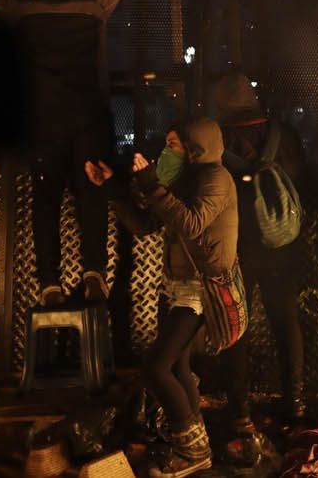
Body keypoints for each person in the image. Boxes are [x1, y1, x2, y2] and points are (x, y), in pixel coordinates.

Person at [0, 0, 132, 306]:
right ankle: (94, 273)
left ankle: (49, 283)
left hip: (42, 120)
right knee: (93, 194)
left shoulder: (23, 3)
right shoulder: (95, 1)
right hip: (88, 117)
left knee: (45, 199)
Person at [85, 119, 237, 478]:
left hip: (203, 289)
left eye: (173, 144)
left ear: (193, 148)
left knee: (155, 368)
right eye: (166, 143)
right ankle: (196, 446)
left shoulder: (216, 179)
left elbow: (191, 223)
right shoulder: (181, 181)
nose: (166, 152)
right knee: (178, 367)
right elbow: (146, 224)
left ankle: (192, 447)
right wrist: (113, 188)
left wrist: (153, 184)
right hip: (178, 286)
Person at [212, 73, 309, 428]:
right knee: (286, 320)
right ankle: (295, 400)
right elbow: (301, 180)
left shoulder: (217, 140)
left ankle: (239, 409)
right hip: (281, 244)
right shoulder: (282, 135)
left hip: (235, 246)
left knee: (236, 326)